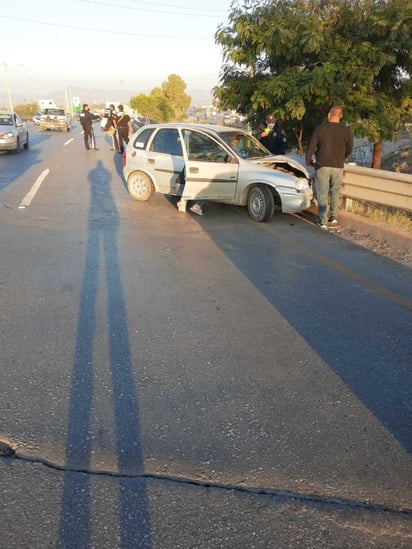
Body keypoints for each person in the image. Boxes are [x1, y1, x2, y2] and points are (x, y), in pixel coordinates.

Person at [305, 104, 354, 230]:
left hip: (322, 165)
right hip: (338, 166)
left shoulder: (320, 129)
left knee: (322, 193)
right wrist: (341, 158)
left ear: (328, 115)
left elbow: (311, 146)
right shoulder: (346, 131)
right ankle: (333, 217)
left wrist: (308, 160)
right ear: (341, 116)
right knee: (335, 191)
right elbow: (349, 149)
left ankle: (323, 220)